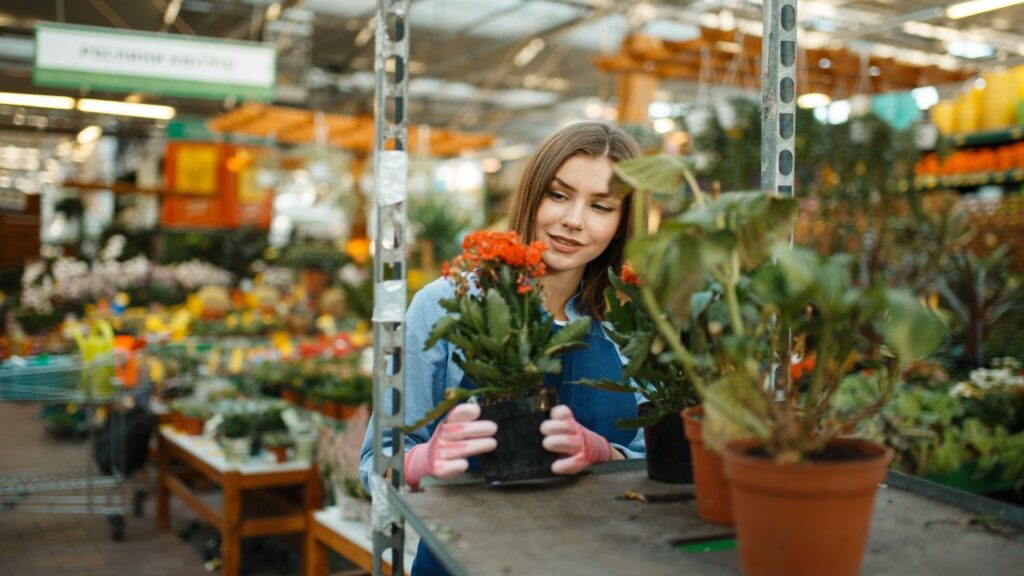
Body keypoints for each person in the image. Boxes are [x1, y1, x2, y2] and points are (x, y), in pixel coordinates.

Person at [359, 121, 648, 575]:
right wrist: (426, 460)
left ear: (620, 224)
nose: (574, 219)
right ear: (531, 194)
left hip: (598, 559)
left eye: (600, 206)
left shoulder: (629, 323)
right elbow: (376, 464)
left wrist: (606, 456)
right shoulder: (444, 304)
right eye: (558, 195)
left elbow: (663, 462)